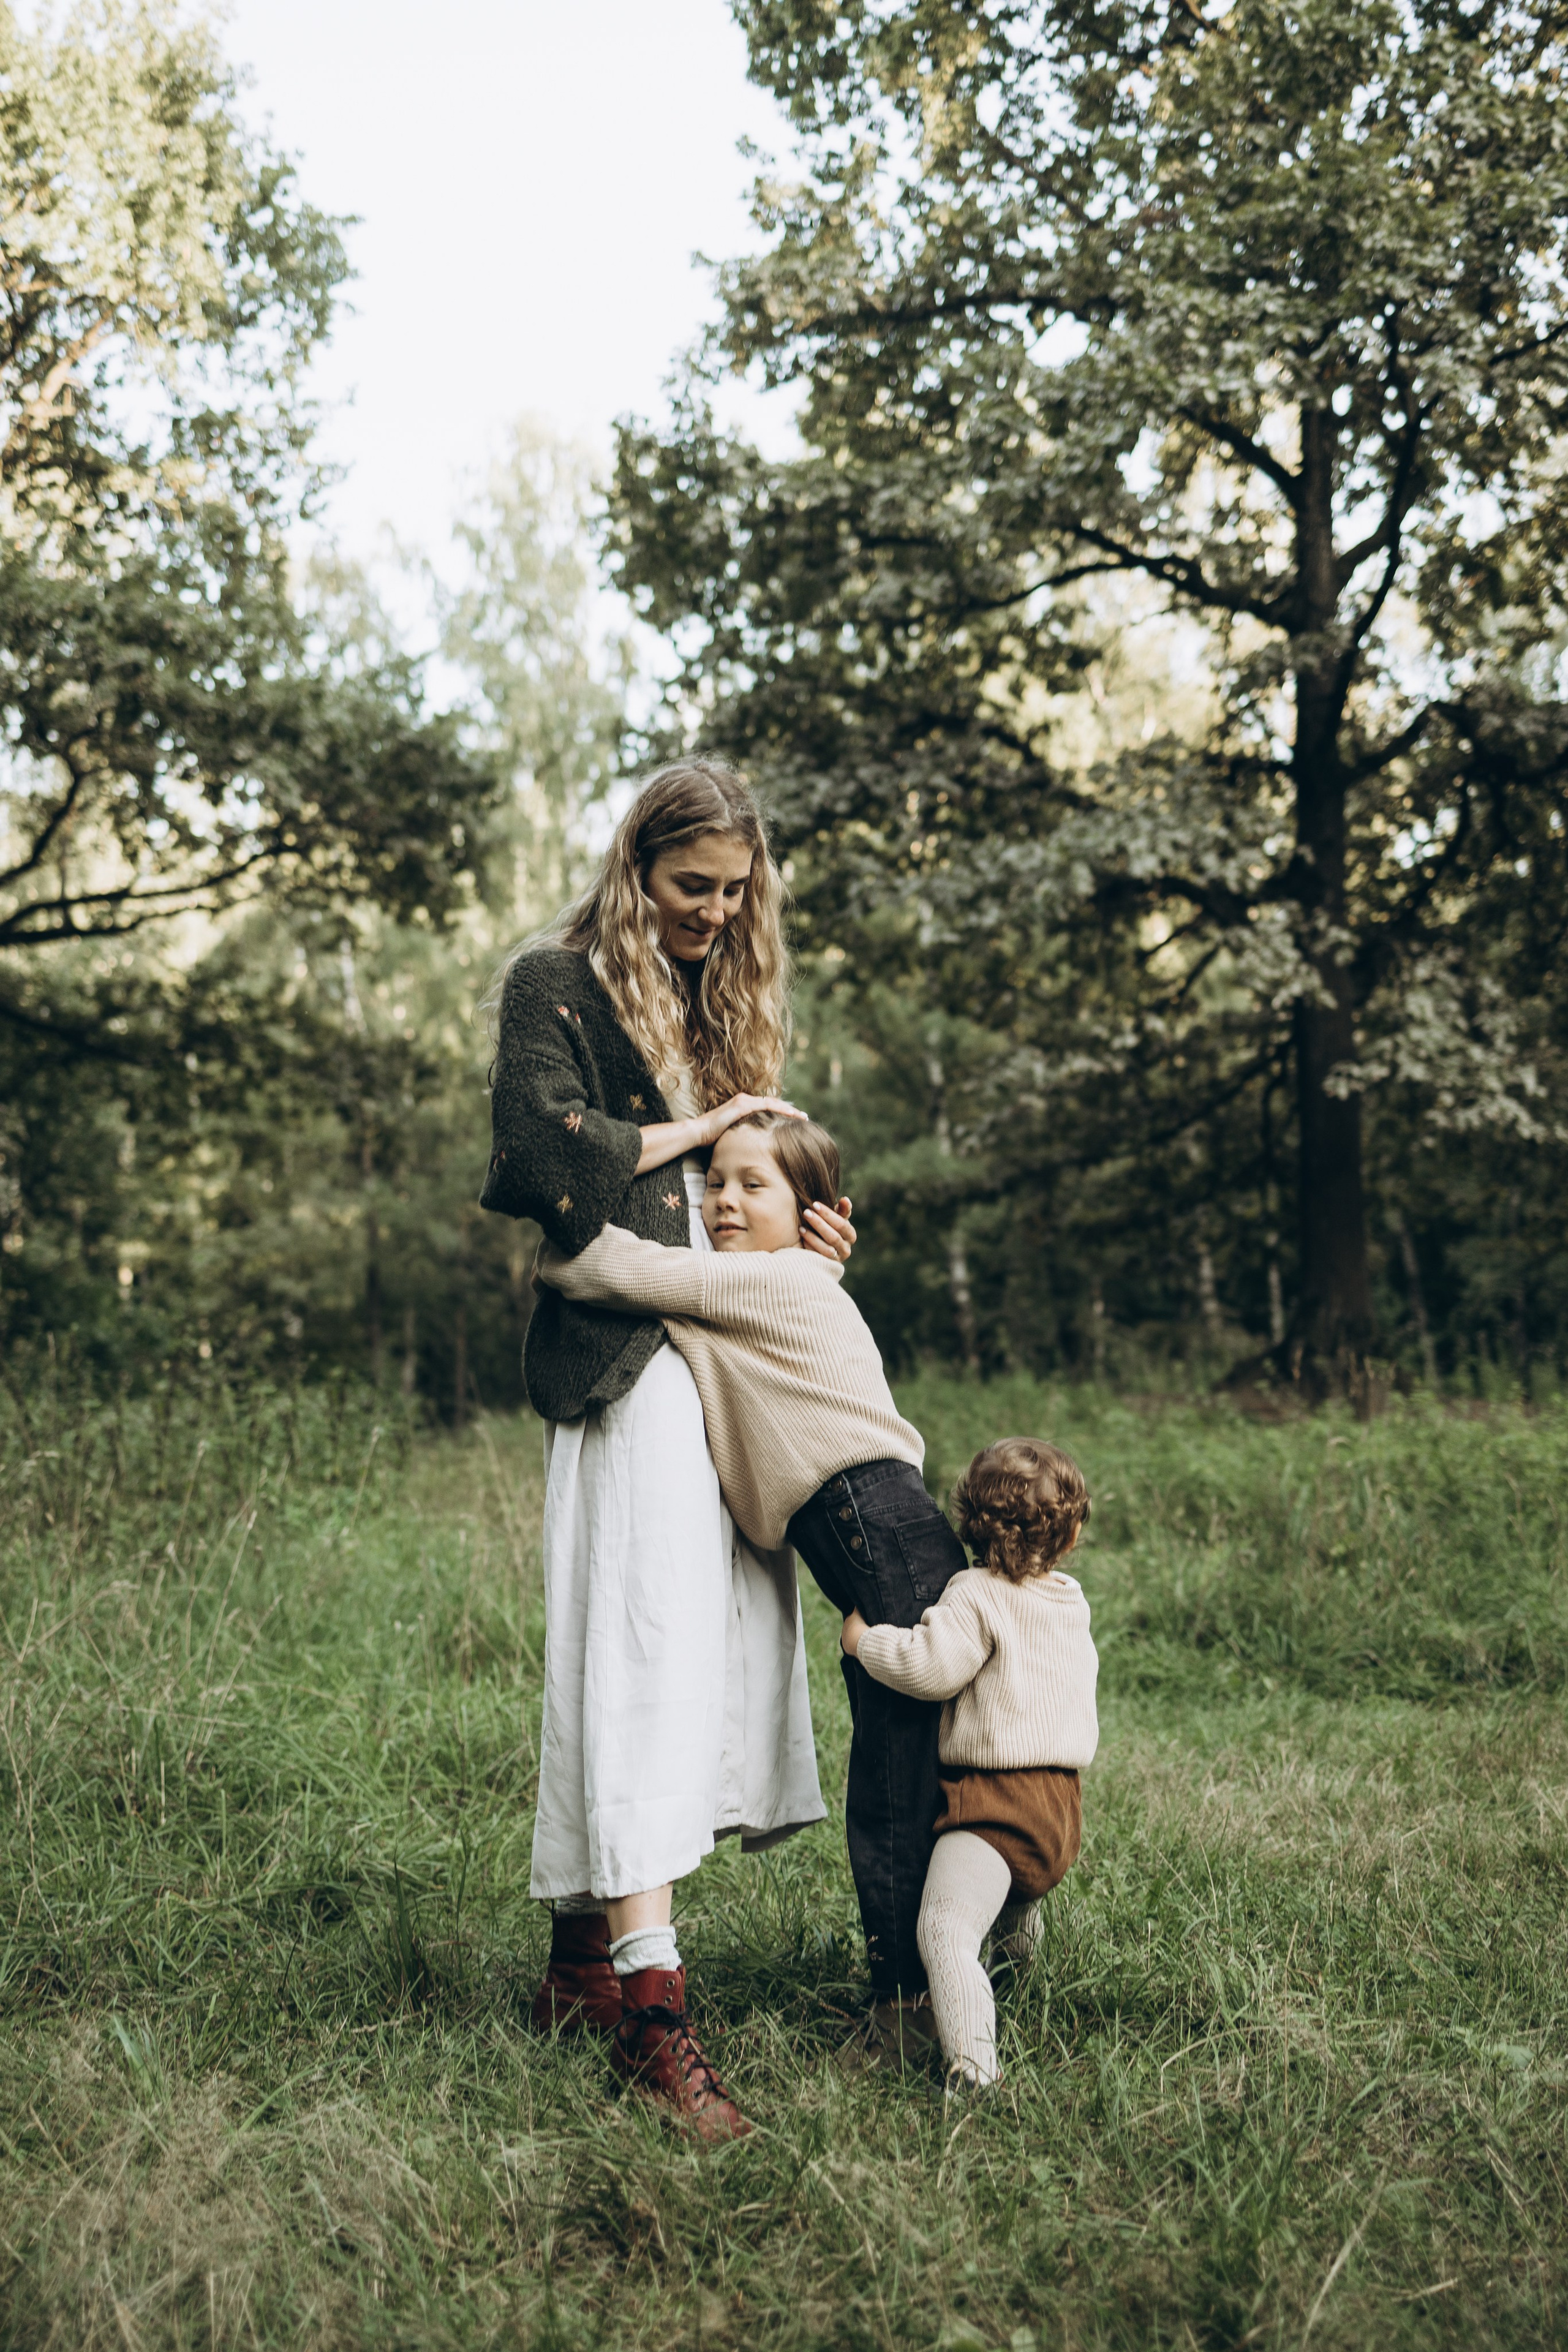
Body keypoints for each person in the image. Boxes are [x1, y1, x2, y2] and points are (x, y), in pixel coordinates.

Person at [479, 761, 855, 2140]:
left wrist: (810, 1234)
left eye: (735, 892)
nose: (714, 912)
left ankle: (581, 1968)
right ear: (635, 866)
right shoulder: (556, 983)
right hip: (629, 1352)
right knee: (639, 1651)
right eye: (693, 886)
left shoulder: (717, 995)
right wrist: (704, 1126)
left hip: (731, 1352)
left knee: (692, 1647)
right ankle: (653, 2016)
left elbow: (750, 1186)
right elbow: (543, 1159)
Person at [536, 1109, 972, 2064]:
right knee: (918, 1771)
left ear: (815, 1212)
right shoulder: (776, 1285)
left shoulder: (771, 1282)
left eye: (751, 1185)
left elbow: (599, 1270)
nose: (723, 1203)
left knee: (896, 1788)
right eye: (715, 1184)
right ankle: (954, 1969)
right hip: (885, 1537)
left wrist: (557, 1229)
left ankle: (912, 2008)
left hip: (880, 1534)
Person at [841, 1439, 1099, 2092]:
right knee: (1013, 1898)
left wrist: (866, 1642)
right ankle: (1023, 1987)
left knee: (946, 1927)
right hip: (1059, 1808)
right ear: (1069, 1536)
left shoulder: (974, 1594)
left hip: (994, 1805)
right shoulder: (1069, 1599)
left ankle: (974, 2068)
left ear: (969, 1525)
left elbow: (932, 1668)